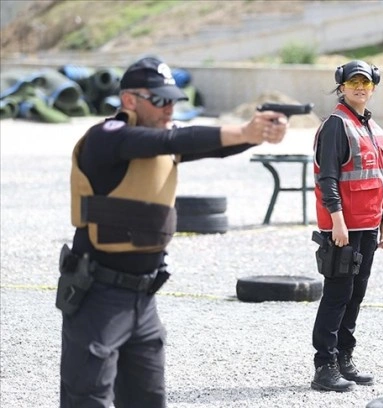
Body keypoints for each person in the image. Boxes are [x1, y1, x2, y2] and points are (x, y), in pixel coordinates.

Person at [57, 56, 288, 408]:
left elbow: (207, 144)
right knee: (88, 400)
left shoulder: (162, 140)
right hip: (97, 296)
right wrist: (244, 131)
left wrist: (255, 136)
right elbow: (166, 141)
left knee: (149, 400)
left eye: (173, 100)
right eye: (160, 100)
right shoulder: (106, 137)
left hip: (144, 297)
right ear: (129, 99)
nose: (169, 108)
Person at [310, 60, 383, 392]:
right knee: (337, 294)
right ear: (342, 87)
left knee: (356, 294)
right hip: (342, 227)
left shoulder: (371, 127)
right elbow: (327, 178)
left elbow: (380, 177)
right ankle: (325, 366)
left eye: (366, 83)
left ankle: (344, 359)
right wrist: (336, 221)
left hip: (367, 226)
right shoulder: (336, 125)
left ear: (373, 87)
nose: (360, 87)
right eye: (353, 82)